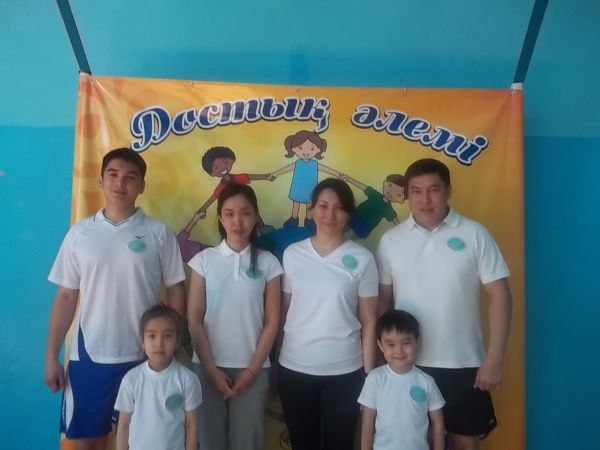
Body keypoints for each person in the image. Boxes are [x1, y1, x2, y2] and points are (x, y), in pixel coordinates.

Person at [44, 148, 186, 450]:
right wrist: (51, 355)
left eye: (130, 177)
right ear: (100, 180)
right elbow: (66, 296)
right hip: (89, 359)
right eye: (113, 175)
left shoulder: (159, 232)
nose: (121, 183)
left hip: (146, 357)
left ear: (141, 186)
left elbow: (176, 290)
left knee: (143, 442)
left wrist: (170, 345)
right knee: (88, 444)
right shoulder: (80, 233)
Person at [376, 158, 512, 450]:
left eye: (434, 190)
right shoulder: (390, 241)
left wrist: (494, 359)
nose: (424, 199)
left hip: (464, 364)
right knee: (413, 444)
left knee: (465, 444)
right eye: (416, 191)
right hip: (407, 363)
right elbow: (383, 302)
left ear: (448, 190)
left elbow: (501, 296)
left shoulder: (475, 234)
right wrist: (379, 357)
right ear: (407, 195)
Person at [277, 178, 379, 450]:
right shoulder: (292, 254)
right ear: (311, 210)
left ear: (349, 214)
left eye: (339, 207)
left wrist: (370, 376)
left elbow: (370, 321)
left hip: (346, 371)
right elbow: (283, 311)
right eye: (323, 206)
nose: (330, 214)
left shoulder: (363, 259)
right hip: (294, 368)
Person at [187, 183, 282, 450]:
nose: (237, 221)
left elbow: (273, 322)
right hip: (206, 367)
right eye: (229, 214)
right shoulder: (204, 261)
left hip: (254, 369)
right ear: (220, 218)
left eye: (245, 213)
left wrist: (252, 371)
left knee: (247, 443)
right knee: (209, 443)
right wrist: (209, 369)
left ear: (256, 217)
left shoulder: (269, 263)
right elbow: (193, 318)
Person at [115, 304, 202, 450]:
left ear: (177, 341)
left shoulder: (188, 380)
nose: (159, 343)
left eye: (167, 336)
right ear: (143, 341)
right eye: (152, 336)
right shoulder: (131, 380)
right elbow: (123, 426)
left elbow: (191, 426)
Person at [358, 310, 445, 450]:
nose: (399, 351)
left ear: (417, 343)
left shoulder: (427, 382)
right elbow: (367, 421)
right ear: (380, 345)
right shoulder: (375, 379)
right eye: (391, 344)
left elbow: (438, 424)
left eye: (406, 343)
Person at [269, 130, 343, 230]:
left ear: (318, 150)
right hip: (298, 188)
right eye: (300, 148)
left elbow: (326, 169)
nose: (306, 152)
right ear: (293, 149)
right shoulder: (298, 163)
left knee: (309, 205)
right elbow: (287, 168)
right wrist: (275, 173)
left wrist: (337, 174)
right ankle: (293, 219)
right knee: (296, 204)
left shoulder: (314, 164)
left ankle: (309, 220)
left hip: (310, 189)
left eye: (312, 148)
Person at [342, 173, 406, 239]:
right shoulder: (375, 194)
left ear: (401, 200)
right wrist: (348, 178)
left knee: (354, 238)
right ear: (385, 183)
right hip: (357, 215)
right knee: (344, 229)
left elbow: (396, 223)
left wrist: (403, 235)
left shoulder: (389, 209)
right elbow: (364, 187)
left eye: (399, 194)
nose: (391, 192)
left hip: (366, 225)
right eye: (390, 185)